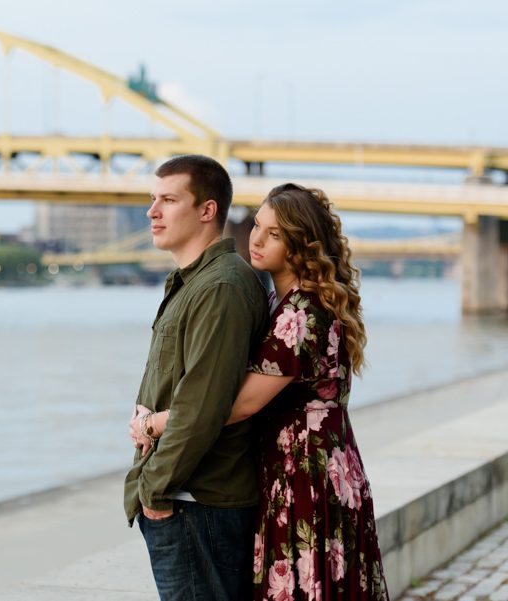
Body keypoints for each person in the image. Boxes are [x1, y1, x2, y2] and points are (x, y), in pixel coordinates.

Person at [132, 183, 390, 600]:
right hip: (318, 466)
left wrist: (154, 422)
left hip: (304, 474)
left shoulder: (300, 313)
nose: (255, 238)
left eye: (274, 234)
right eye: (256, 225)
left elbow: (240, 405)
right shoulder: (285, 301)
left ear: (300, 246)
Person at [124, 154, 269, 601]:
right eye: (153, 199)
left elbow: (203, 407)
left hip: (196, 503)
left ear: (207, 210)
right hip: (187, 501)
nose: (153, 211)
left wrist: (155, 492)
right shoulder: (194, 282)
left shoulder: (221, 287)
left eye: (168, 200)